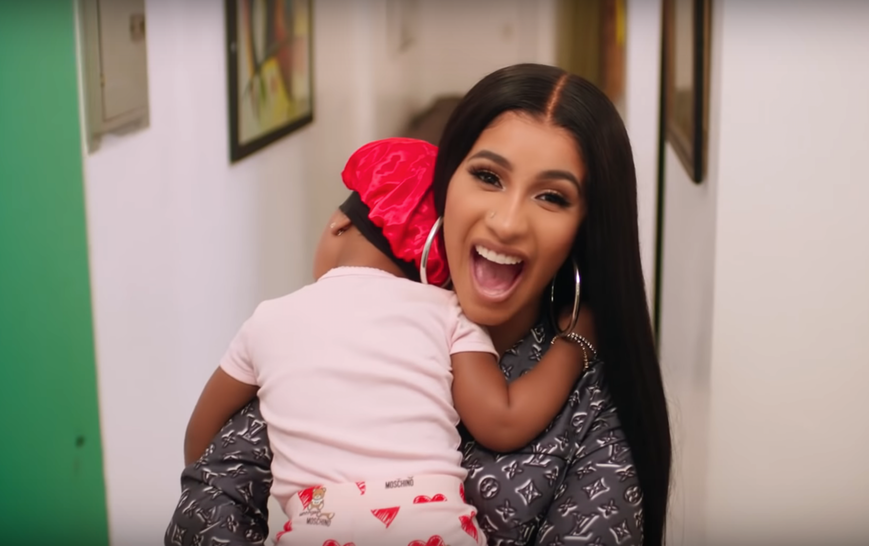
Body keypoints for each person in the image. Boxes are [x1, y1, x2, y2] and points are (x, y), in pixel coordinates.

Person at [165, 63, 671, 546]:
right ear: (445, 186)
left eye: (552, 197)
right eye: (488, 176)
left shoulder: (595, 406)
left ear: (585, 228)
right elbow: (208, 495)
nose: (508, 222)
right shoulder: (330, 337)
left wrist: (577, 343)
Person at [181, 137, 596, 546]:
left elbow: (203, 439)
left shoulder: (268, 320)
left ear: (339, 223)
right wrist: (576, 341)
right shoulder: (448, 312)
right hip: (433, 528)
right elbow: (502, 421)